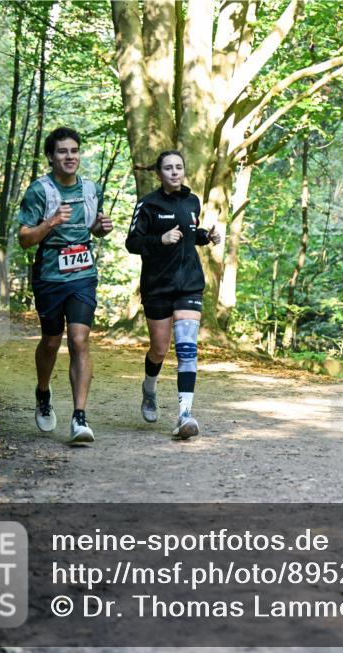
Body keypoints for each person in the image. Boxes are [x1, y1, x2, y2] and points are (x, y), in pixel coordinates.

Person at [18, 127, 113, 445]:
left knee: (79, 339)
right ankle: (43, 392)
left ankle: (79, 417)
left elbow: (93, 229)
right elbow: (24, 239)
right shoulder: (39, 191)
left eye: (74, 151)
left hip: (83, 274)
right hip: (49, 276)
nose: (69, 156)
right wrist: (50, 222)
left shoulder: (91, 189)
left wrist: (101, 228)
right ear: (50, 157)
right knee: (50, 342)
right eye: (62, 151)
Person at [125, 151, 221, 438]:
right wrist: (160, 239)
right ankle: (149, 388)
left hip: (189, 283)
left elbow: (190, 234)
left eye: (179, 167)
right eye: (168, 168)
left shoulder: (192, 201)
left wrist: (206, 237)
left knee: (188, 348)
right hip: (157, 286)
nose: (175, 172)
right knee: (159, 349)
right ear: (159, 173)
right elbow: (132, 242)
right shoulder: (148, 204)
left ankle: (185, 415)